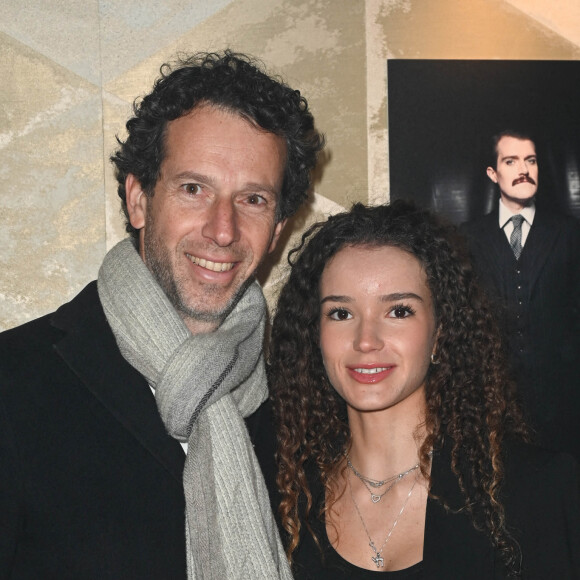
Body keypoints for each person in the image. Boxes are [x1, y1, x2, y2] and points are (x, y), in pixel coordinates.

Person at [0, 50, 324, 579]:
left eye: (253, 199)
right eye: (194, 189)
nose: (223, 230)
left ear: (279, 229)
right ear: (138, 200)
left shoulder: (304, 411)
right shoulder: (13, 386)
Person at [253, 201, 580, 579]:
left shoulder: (540, 491)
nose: (366, 340)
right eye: (341, 313)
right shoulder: (280, 497)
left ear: (440, 333)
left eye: (399, 311)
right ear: (316, 336)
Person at [461, 130, 580, 462]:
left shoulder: (569, 233)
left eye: (530, 160)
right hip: (493, 405)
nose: (523, 170)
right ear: (493, 173)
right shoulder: (467, 237)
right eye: (510, 161)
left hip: (562, 406)